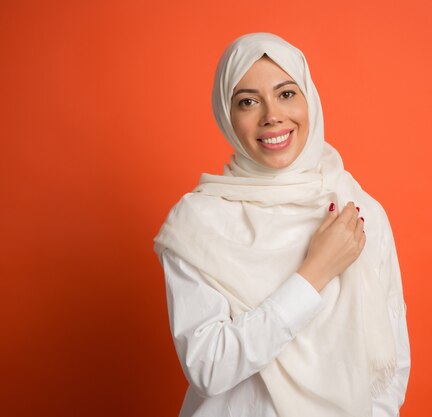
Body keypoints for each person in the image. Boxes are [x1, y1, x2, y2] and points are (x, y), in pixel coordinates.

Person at [154, 32, 410, 417]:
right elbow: (208, 366)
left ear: (309, 99)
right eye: (248, 101)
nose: (272, 114)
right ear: (227, 115)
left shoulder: (358, 211)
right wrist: (314, 274)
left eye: (287, 93)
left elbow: (390, 367)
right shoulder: (197, 223)